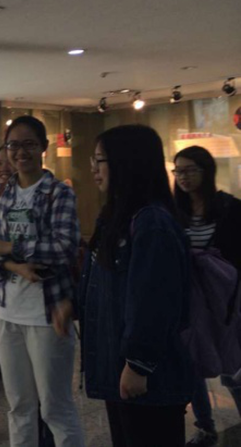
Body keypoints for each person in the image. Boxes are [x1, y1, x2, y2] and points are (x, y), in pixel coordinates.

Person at [82, 124, 193, 447]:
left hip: (147, 376)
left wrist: (138, 365)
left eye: (100, 160)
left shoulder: (152, 223)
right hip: (118, 367)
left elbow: (155, 303)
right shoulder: (116, 216)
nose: (93, 169)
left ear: (126, 163)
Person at [0, 116, 84, 447]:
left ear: (43, 147)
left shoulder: (58, 193)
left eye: (29, 144)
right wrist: (17, 266)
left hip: (47, 315)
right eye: (13, 145)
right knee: (19, 407)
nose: (20, 152)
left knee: (55, 409)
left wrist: (9, 248)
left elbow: (64, 248)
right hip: (6, 311)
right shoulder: (2, 193)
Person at [172, 145, 241, 447]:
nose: (183, 177)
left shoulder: (229, 208)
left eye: (190, 170)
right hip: (191, 298)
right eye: (178, 171)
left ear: (206, 171)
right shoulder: (174, 212)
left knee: (233, 366)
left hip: (225, 298)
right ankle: (205, 425)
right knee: (192, 362)